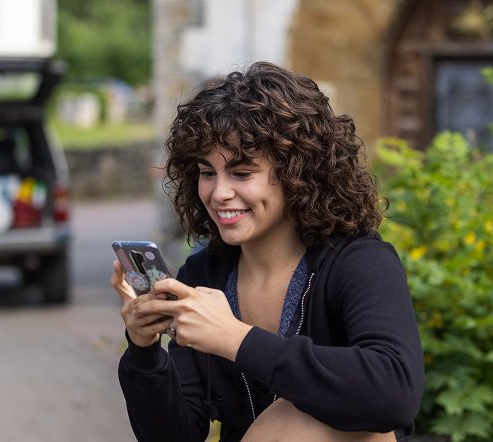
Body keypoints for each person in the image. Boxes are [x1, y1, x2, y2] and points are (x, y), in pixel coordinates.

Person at [110, 61, 424, 442]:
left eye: (241, 173)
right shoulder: (203, 277)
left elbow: (394, 394)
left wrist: (235, 339)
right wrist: (144, 351)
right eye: (207, 172)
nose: (218, 193)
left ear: (299, 173)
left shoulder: (359, 262)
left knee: (301, 417)